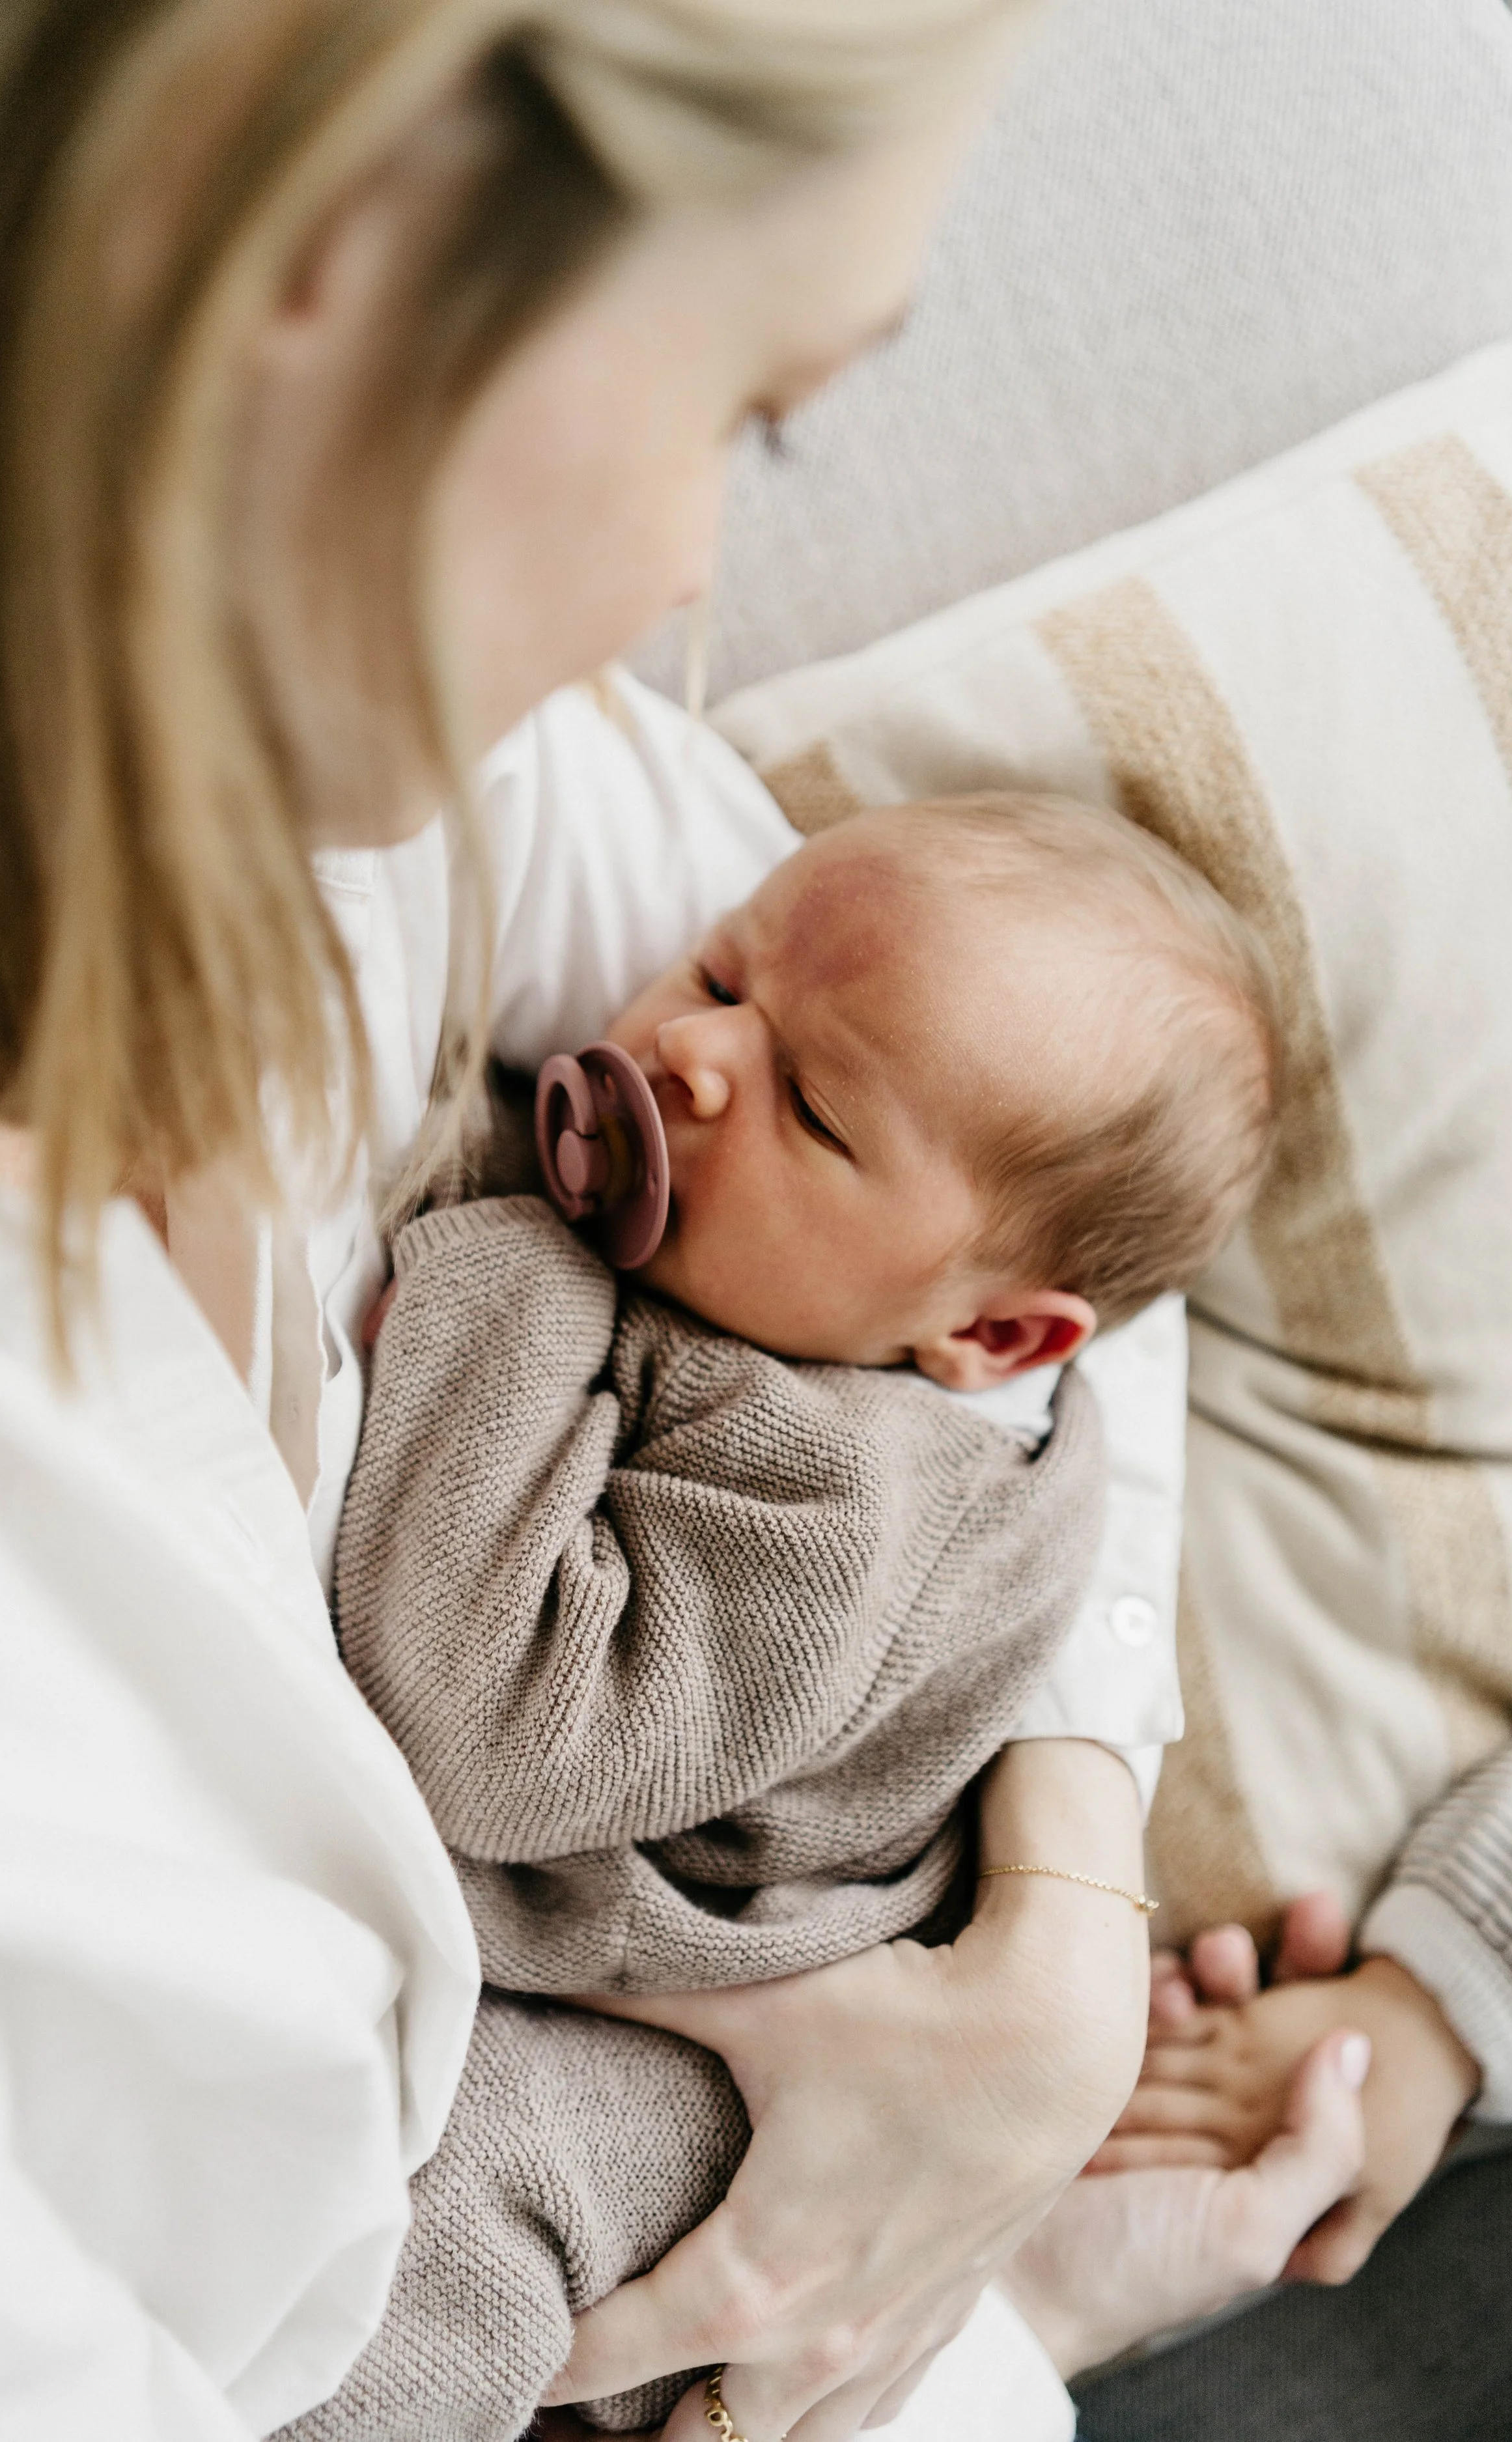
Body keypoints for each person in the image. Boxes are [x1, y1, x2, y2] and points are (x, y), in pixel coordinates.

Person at [0, 4, 1370, 2437]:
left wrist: (1045, 1953)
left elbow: (1062, 1198)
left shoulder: (384, 770)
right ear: (327, 251)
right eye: (754, 404)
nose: (710, 564)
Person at [302, 792, 1278, 2438]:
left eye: (813, 1110)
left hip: (694, 2090)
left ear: (997, 1341)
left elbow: (502, 1736)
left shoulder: (843, 1494)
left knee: (441, 2224)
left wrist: (514, 1279)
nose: (690, 1053)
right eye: (719, 967)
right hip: (612, 1966)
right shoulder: (759, 1276)